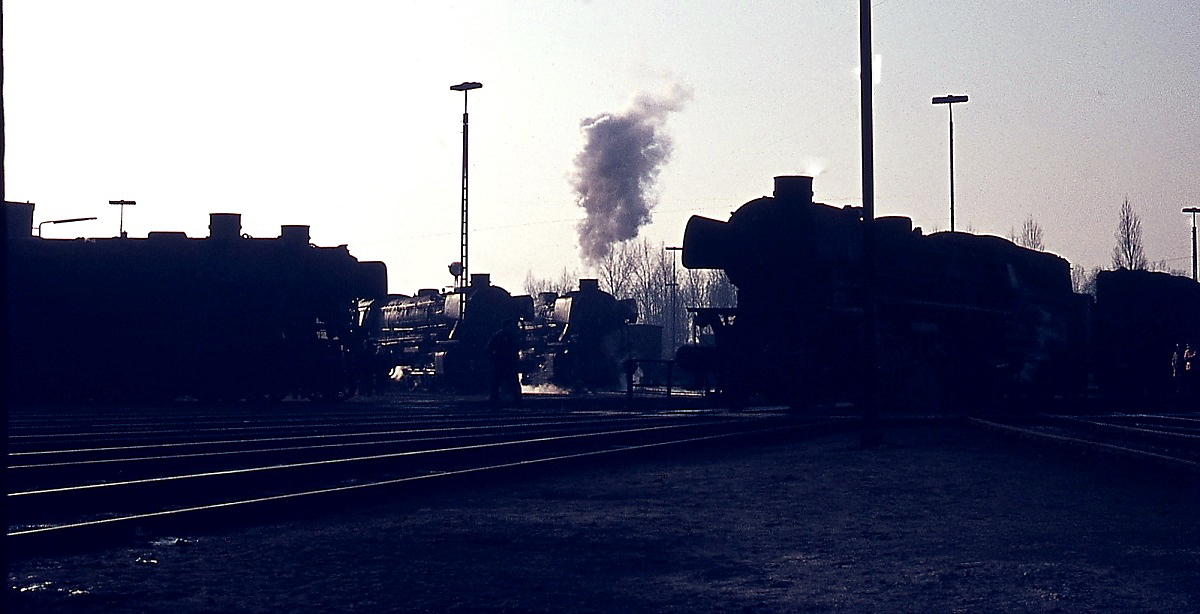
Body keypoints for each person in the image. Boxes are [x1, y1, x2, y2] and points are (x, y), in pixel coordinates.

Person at [487, 319, 524, 409]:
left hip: (505, 364)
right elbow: (488, 350)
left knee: (506, 383)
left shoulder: (501, 336)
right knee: (501, 383)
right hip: (503, 363)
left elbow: (488, 350)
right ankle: (516, 402)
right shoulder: (501, 336)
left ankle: (517, 402)